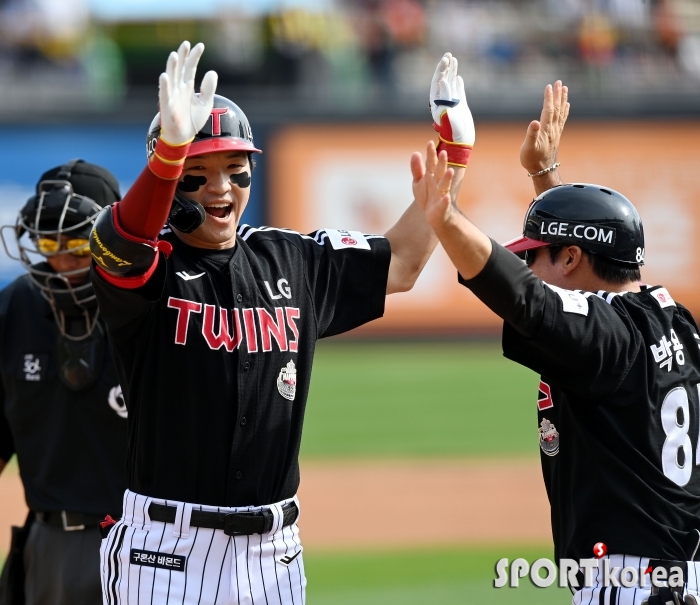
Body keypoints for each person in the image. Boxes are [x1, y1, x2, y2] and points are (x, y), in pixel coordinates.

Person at [91, 42, 472, 604]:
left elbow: (404, 262)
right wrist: (169, 156)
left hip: (274, 556)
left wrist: (455, 153)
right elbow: (120, 244)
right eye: (197, 176)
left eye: (235, 170)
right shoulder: (151, 268)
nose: (220, 187)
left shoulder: (290, 258)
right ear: (169, 184)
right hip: (165, 552)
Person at [416, 75, 700, 605]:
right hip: (678, 572)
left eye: (535, 254)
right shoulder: (673, 318)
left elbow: (528, 298)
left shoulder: (606, 336)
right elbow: (579, 283)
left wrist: (446, 218)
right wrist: (545, 176)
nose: (528, 263)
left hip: (628, 582)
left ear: (571, 258)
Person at [0, 160, 127, 605]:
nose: (62, 256)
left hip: (147, 541)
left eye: (77, 240)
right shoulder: (15, 307)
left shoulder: (151, 308)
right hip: (49, 540)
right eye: (48, 240)